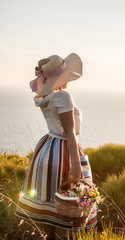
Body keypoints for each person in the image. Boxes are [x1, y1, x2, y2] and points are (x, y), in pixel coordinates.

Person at [15, 53, 97, 239]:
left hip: (46, 150)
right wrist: (76, 166)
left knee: (49, 198)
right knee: (73, 200)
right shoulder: (64, 96)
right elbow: (69, 132)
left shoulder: (46, 96)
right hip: (64, 151)